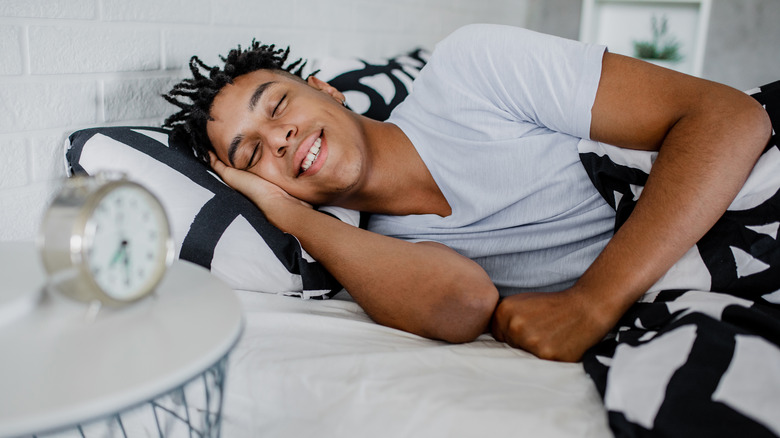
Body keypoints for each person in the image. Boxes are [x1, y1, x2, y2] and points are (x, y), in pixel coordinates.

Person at [163, 24, 771, 363]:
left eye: (278, 104)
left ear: (326, 90)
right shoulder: (374, 258)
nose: (280, 136)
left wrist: (593, 303)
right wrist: (286, 213)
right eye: (251, 155)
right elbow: (463, 306)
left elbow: (729, 117)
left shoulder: (468, 70)